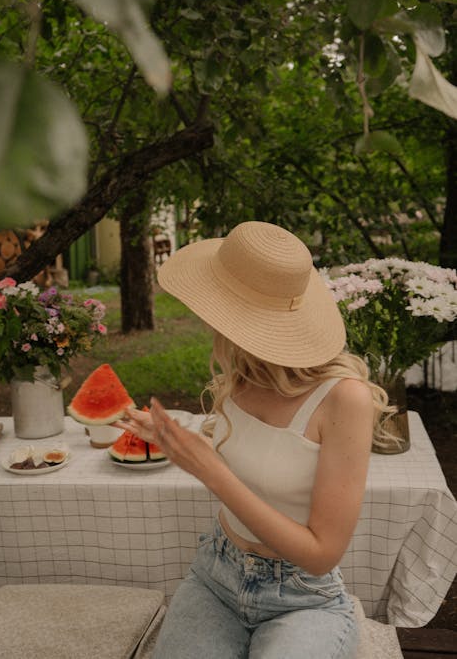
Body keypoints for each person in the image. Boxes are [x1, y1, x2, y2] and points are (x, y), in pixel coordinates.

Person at [118, 221, 390, 659]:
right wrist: (172, 441)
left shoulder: (344, 399)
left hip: (302, 599)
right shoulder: (243, 373)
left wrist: (211, 471)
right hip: (216, 573)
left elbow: (321, 555)